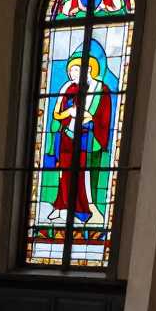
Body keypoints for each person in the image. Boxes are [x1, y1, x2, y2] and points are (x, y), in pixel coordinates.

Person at [46, 51, 111, 225]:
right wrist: (70, 112)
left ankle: (81, 210)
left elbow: (104, 116)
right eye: (71, 72)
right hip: (67, 135)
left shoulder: (101, 88)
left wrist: (90, 117)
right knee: (64, 172)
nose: (72, 75)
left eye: (76, 70)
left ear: (89, 69)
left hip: (86, 137)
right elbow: (57, 114)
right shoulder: (68, 88)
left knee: (81, 173)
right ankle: (62, 206)